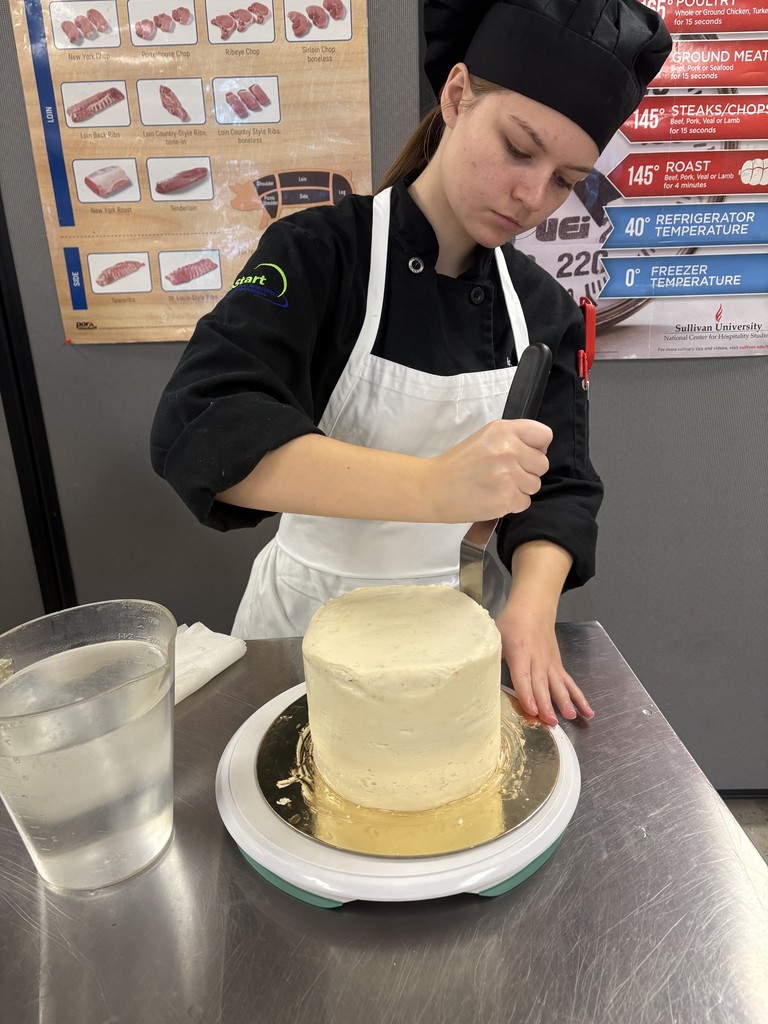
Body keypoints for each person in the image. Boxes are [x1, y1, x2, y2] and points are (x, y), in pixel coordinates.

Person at [151, 0, 671, 726]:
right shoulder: (320, 254)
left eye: (564, 179)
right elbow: (199, 428)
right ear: (457, 96)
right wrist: (432, 488)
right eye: (521, 149)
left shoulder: (541, 310)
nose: (532, 197)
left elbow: (564, 484)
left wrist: (530, 606)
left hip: (458, 634)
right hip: (302, 631)